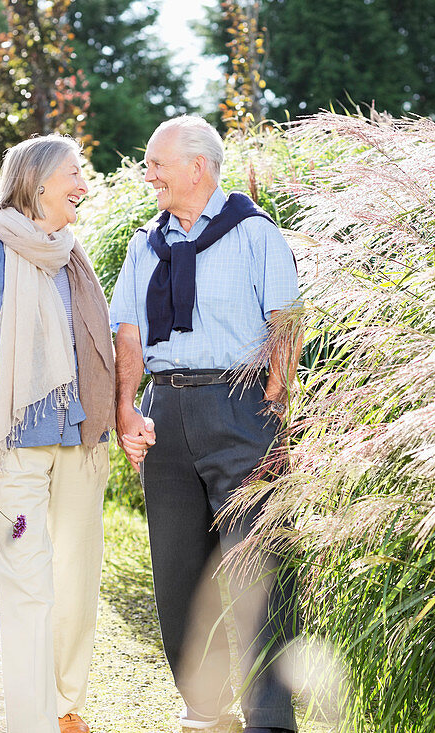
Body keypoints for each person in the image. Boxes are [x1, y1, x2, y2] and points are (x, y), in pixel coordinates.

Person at [109, 116, 300, 733]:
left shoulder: (255, 233)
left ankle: (268, 718)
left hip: (240, 405)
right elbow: (130, 334)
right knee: (176, 568)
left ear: (198, 166)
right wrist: (125, 406)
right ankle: (204, 707)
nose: (149, 174)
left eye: (157, 163)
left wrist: (271, 397)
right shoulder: (145, 244)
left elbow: (285, 319)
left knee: (257, 563)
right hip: (166, 413)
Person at [0, 134, 115, 733]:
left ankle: (66, 703)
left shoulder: (72, 254)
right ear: (39, 181)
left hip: (80, 443)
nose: (83, 183)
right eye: (75, 172)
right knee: (28, 585)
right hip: (13, 449)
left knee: (76, 579)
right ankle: (32, 721)